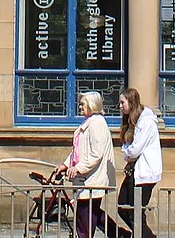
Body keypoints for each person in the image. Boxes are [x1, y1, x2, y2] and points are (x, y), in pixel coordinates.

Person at [57, 90, 113, 238]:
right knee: (89, 214)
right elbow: (79, 150)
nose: (80, 107)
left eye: (83, 104)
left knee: (85, 217)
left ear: (92, 105)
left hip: (92, 179)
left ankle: (119, 234)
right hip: (86, 179)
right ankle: (120, 234)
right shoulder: (90, 123)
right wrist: (66, 165)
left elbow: (96, 153)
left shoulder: (97, 124)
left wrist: (77, 168)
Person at [114, 87, 162, 238]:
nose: (120, 106)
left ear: (131, 102)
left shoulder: (146, 121)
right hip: (134, 171)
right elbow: (129, 148)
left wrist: (127, 153)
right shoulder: (132, 121)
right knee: (123, 207)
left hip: (144, 173)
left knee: (135, 213)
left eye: (123, 103)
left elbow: (134, 150)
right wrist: (128, 152)